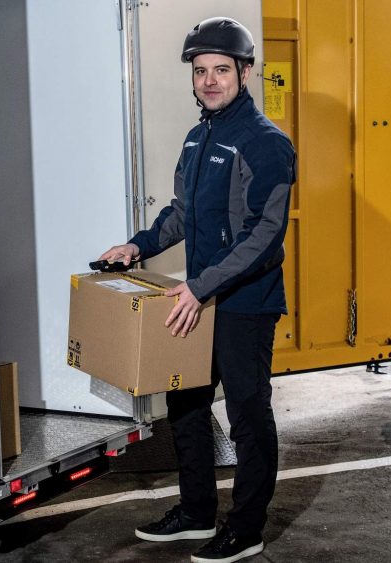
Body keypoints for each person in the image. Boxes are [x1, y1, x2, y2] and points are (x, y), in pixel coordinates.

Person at [98, 16, 296, 563]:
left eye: (221, 70)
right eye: (201, 70)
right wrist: (137, 245)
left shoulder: (265, 142)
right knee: (186, 406)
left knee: (248, 416)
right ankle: (196, 511)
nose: (209, 80)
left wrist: (200, 287)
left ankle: (247, 528)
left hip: (244, 303)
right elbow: (182, 213)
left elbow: (264, 235)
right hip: (199, 299)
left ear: (245, 72)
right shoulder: (198, 135)